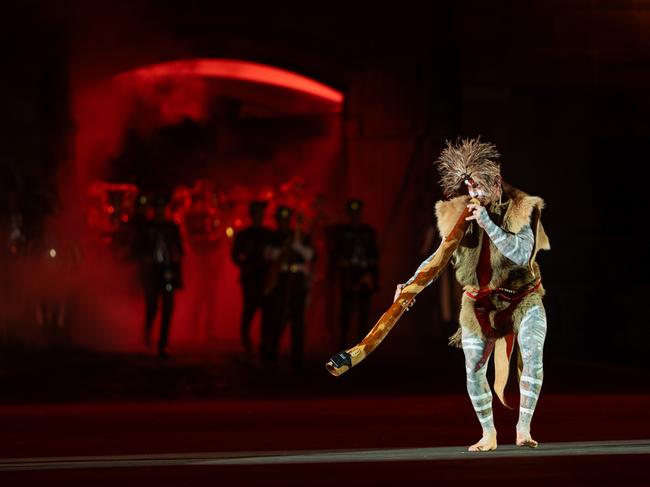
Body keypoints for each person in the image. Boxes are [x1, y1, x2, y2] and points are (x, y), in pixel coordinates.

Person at [395, 138, 550, 451]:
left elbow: (521, 255)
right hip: (478, 303)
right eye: (470, 188)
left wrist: (489, 224)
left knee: (533, 355)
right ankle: (488, 433)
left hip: (522, 296)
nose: (475, 195)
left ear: (495, 183)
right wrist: (411, 284)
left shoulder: (522, 207)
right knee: (473, 367)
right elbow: (438, 257)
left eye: (480, 187)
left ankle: (523, 428)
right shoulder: (457, 213)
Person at [261, 206, 315, 370]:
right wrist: (286, 249)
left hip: (297, 281)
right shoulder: (271, 236)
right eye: (281, 219)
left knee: (298, 321)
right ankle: (272, 355)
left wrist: (297, 245)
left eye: (286, 219)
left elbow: (311, 256)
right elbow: (267, 254)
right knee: (277, 319)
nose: (284, 222)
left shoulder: (302, 237)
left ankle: (297, 358)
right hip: (280, 281)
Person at [131, 194, 184, 358]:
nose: (160, 211)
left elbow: (180, 249)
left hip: (168, 271)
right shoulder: (146, 228)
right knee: (152, 305)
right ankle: (147, 333)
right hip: (151, 272)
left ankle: (163, 344)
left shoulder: (172, 227)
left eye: (162, 208)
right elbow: (137, 249)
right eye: (158, 208)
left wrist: (176, 255)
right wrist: (145, 259)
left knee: (168, 306)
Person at [330, 199, 379, 348]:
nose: (355, 216)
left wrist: (373, 277)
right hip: (349, 273)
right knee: (346, 307)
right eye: (353, 213)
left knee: (364, 309)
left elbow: (375, 255)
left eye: (357, 213)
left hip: (364, 273)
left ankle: (363, 343)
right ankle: (344, 342)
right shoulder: (343, 232)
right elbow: (336, 253)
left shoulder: (368, 232)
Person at [231, 201, 273, 352]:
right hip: (250, 278)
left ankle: (264, 342)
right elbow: (235, 255)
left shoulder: (269, 234)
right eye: (256, 213)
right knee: (249, 308)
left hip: (265, 277)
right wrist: (245, 266)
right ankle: (246, 337)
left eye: (261, 213)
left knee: (266, 310)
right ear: (251, 215)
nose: (258, 216)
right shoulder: (244, 235)